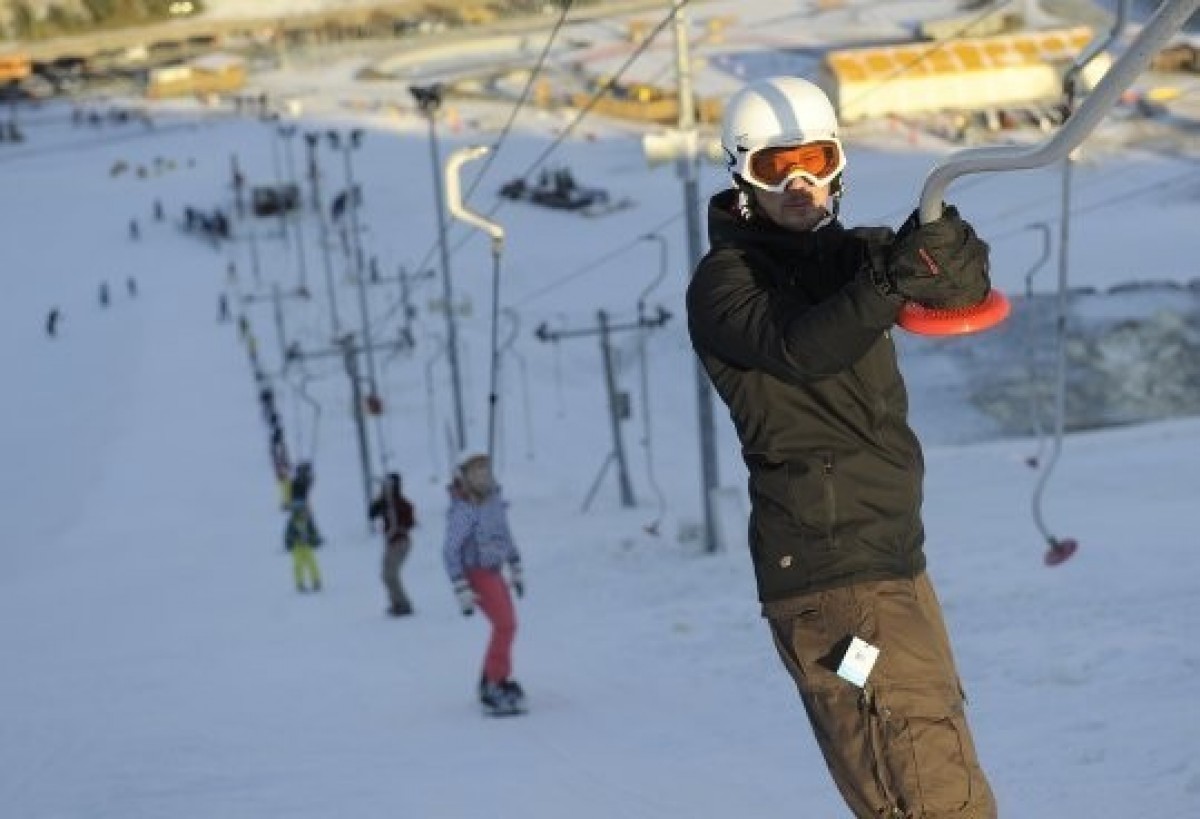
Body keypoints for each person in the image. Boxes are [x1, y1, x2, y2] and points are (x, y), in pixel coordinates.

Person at [685, 76, 996, 819]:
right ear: (741, 176)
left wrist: (945, 250)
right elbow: (803, 346)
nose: (799, 184)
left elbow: (955, 290)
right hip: (833, 581)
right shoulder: (726, 285)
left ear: (838, 165)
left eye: (815, 161)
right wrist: (891, 278)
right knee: (931, 790)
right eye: (775, 167)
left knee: (932, 753)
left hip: (890, 560)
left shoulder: (853, 257)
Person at [442, 452, 526, 715]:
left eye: (485, 469)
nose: (482, 475)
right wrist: (460, 586)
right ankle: (493, 683)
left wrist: (515, 564)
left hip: (494, 570)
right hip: (476, 573)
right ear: (464, 477)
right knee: (505, 625)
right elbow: (450, 551)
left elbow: (505, 535)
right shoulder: (464, 510)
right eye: (475, 471)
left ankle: (492, 678)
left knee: (509, 626)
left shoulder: (493, 501)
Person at [369, 472, 417, 617]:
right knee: (386, 575)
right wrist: (380, 499)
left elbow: (410, 521)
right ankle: (396, 603)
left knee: (391, 574)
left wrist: (400, 526)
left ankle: (404, 605)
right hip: (391, 543)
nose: (385, 489)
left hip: (401, 542)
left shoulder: (401, 503)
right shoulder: (385, 502)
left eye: (388, 486)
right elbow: (372, 513)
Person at [283, 493, 323, 594]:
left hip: (307, 546)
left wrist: (316, 539)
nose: (305, 514)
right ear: (297, 512)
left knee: (312, 563)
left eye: (306, 512)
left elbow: (314, 532)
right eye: (302, 512)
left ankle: (316, 580)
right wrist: (289, 542)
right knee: (298, 565)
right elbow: (288, 534)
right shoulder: (292, 523)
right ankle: (300, 583)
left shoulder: (309, 521)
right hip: (297, 547)